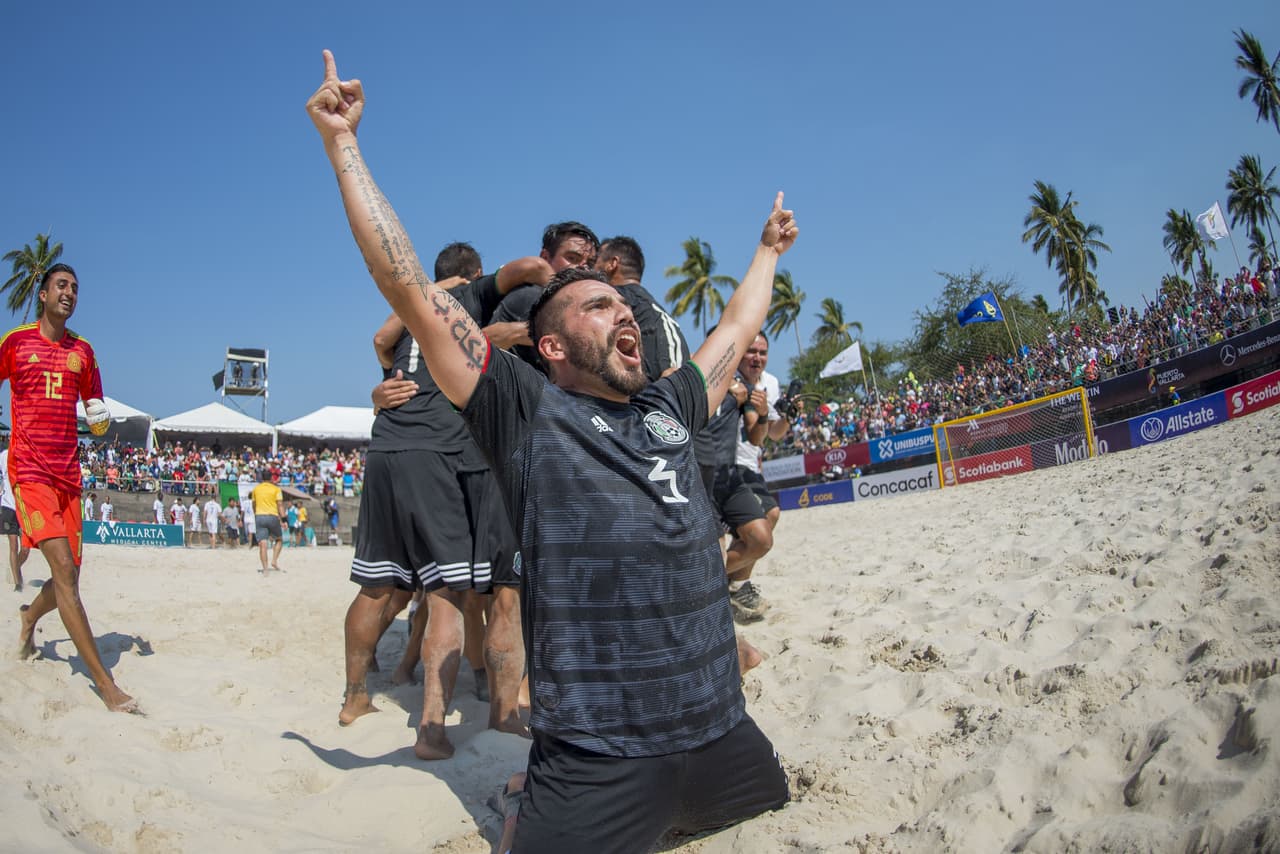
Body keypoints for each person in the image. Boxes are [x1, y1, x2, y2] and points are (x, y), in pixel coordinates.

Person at [309, 52, 793, 848]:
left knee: (766, 797)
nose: (626, 311)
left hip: (721, 742)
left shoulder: (671, 402)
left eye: (626, 303)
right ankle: (520, 793)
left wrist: (768, 251)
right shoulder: (525, 412)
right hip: (601, 760)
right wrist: (344, 146)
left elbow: (736, 328)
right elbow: (404, 286)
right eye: (600, 305)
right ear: (555, 346)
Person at [341, 241, 538, 756]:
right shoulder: (467, 297)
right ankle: (438, 723)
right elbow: (521, 272)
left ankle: (357, 695)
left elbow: (381, 337)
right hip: (444, 448)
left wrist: (384, 383)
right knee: (461, 594)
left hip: (388, 442)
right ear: (471, 274)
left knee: (382, 586)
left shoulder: (412, 310)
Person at [2, 263, 136, 712]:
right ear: (42, 294)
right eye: (61, 286)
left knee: (69, 577)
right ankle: (107, 686)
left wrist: (99, 420)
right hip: (30, 472)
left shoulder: (83, 351)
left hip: (69, 478)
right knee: (63, 570)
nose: (69, 293)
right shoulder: (16, 343)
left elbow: (94, 407)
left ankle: (27, 619)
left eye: (75, 288)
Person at [724, 332, 789, 621]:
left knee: (771, 516)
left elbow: (771, 435)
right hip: (726, 464)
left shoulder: (771, 383)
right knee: (762, 524)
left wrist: (788, 416)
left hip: (750, 465)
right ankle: (730, 585)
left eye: (762, 352)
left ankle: (734, 585)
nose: (757, 358)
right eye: (751, 351)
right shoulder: (727, 380)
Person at [594, 236, 689, 380]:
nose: (587, 267)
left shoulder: (619, 298)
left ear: (612, 263)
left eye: (594, 261)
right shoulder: (651, 309)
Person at [0, 442, 31, 591]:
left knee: (25, 549)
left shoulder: (26, 457)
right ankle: (18, 583)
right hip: (8, 506)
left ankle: (14, 568)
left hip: (24, 507)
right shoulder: (3, 456)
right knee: (13, 545)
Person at [251, 474, 285, 572]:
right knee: (279, 539)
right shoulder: (276, 489)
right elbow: (280, 505)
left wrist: (256, 514)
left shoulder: (256, 489)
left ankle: (265, 568)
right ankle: (274, 560)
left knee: (263, 543)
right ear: (271, 478)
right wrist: (284, 519)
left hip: (259, 516)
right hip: (272, 516)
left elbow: (253, 504)